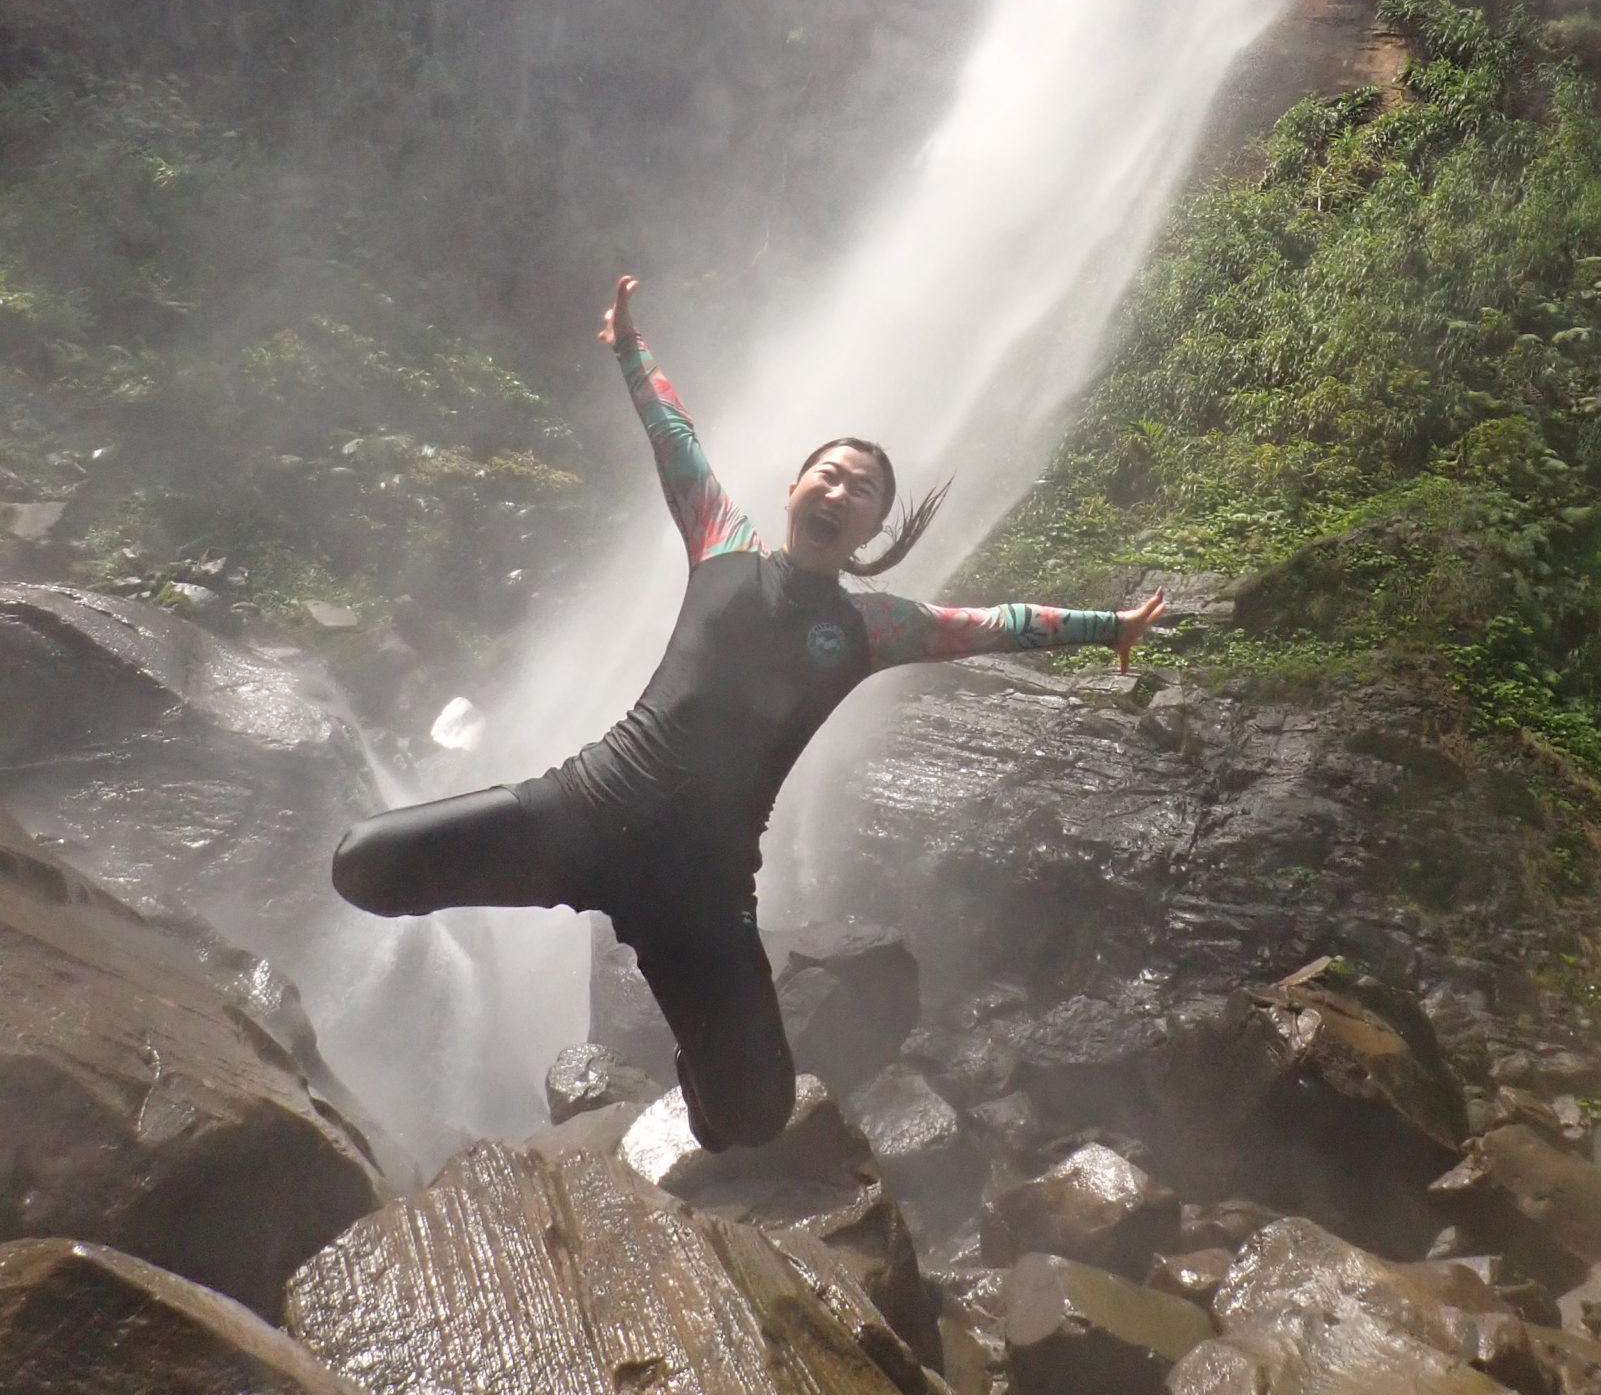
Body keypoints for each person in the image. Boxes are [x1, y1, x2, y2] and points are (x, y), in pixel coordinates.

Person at [332, 276, 1166, 1152]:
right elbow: (673, 435)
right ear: (798, 486)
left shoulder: (875, 626)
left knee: (750, 1119)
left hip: (704, 887)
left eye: (865, 491)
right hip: (587, 811)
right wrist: (628, 345)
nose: (842, 493)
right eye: (830, 474)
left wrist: (1110, 625)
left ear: (874, 529)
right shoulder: (721, 539)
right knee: (365, 867)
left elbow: (1000, 624)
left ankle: (683, 1073)